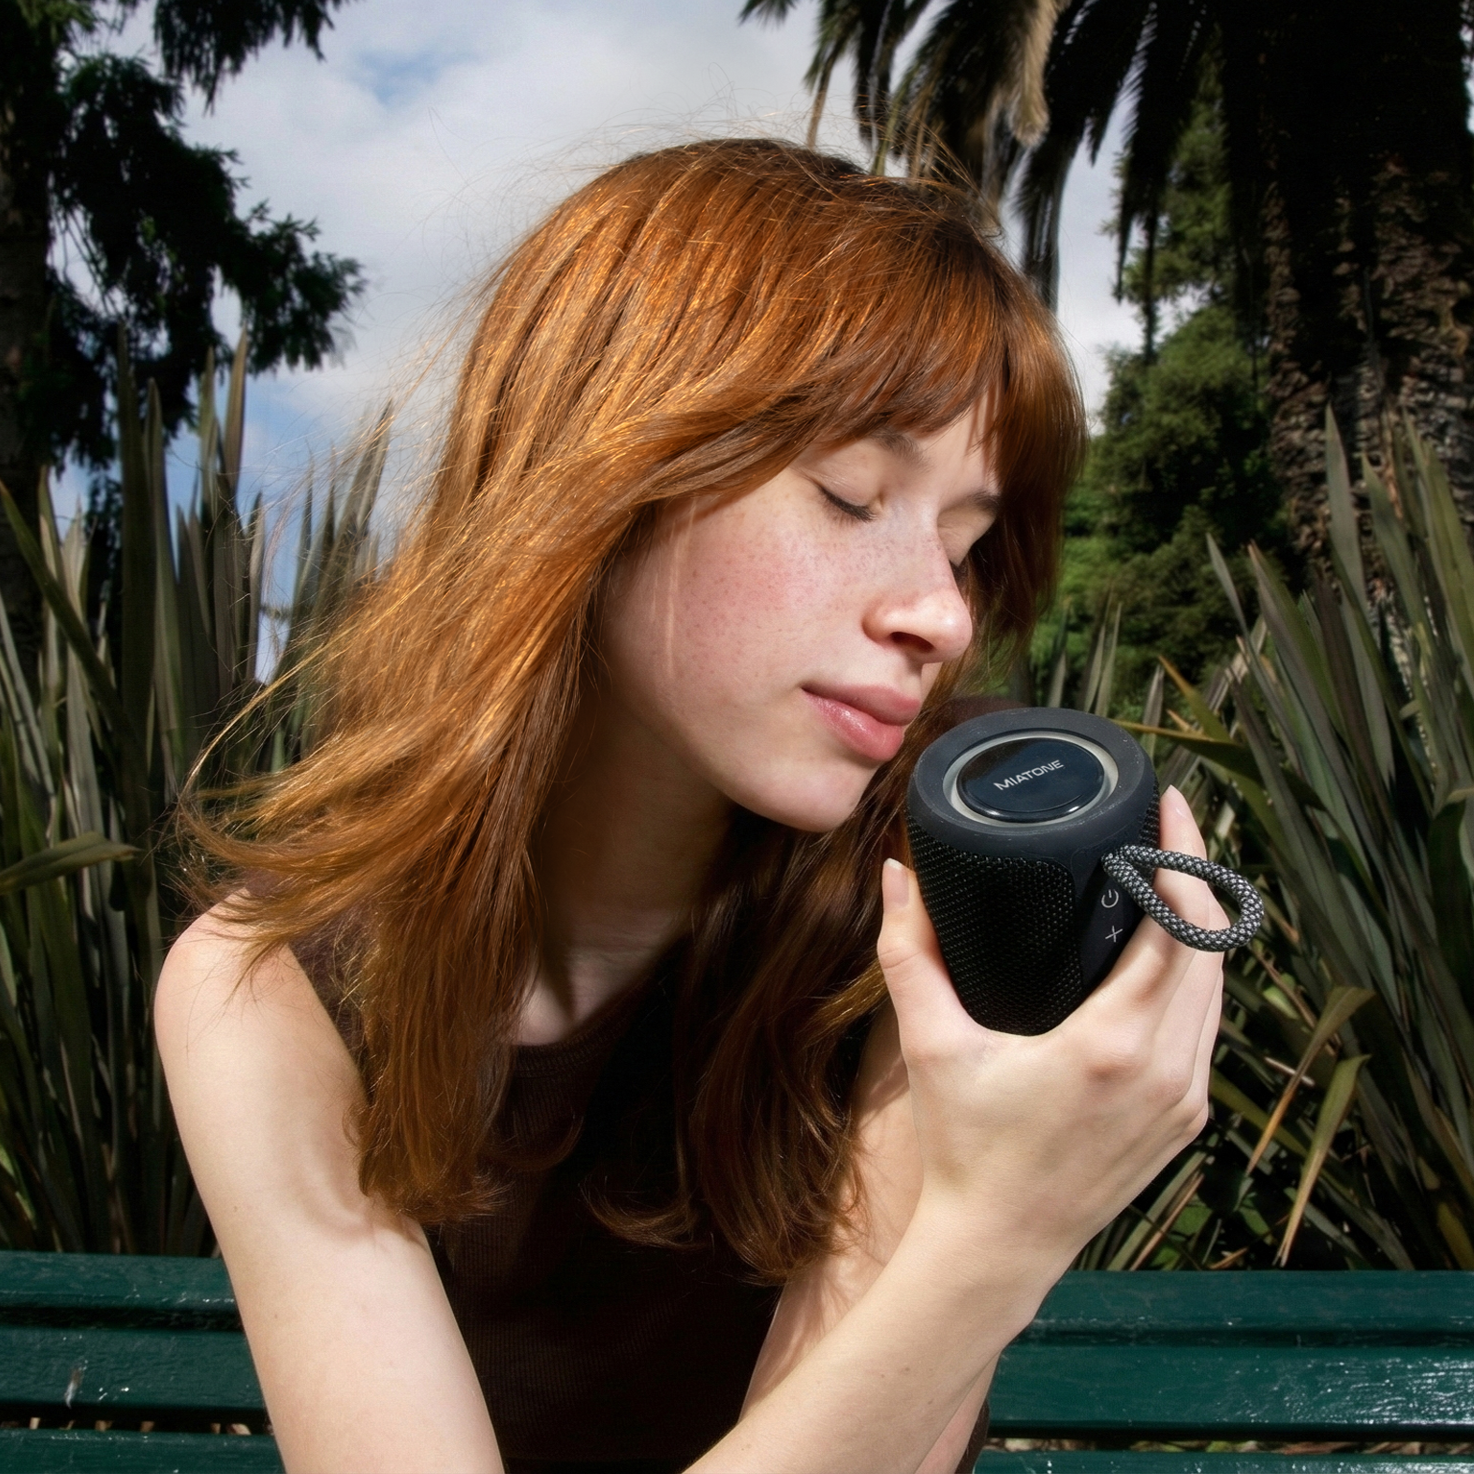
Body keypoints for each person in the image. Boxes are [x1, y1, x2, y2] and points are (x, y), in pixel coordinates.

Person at [155, 138, 1224, 1474]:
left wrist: (983, 1233)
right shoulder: (269, 990)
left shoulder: (934, 894)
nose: (942, 617)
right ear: (593, 471)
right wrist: (999, 1235)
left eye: (964, 545)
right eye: (851, 497)